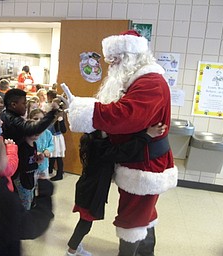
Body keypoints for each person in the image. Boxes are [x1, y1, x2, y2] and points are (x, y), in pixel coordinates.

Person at [61, 30, 178, 256]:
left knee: (132, 218)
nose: (110, 63)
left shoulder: (150, 82)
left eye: (115, 58)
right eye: (109, 58)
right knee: (144, 213)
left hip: (145, 164)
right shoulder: (139, 80)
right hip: (138, 158)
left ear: (131, 55)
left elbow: (125, 115)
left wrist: (83, 111)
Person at [65, 124, 167, 256]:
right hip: (91, 191)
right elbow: (123, 152)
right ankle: (71, 251)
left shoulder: (95, 140)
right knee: (85, 223)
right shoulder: (99, 145)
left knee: (85, 221)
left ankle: (75, 247)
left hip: (89, 188)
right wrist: (147, 136)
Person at [13, 127, 44, 210]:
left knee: (30, 197)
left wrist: (37, 158)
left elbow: (31, 160)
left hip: (31, 178)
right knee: (25, 203)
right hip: (22, 180)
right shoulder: (23, 147)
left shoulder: (34, 144)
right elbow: (23, 167)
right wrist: (37, 164)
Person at [46, 94, 67, 181]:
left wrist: (61, 121)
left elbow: (64, 130)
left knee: (58, 156)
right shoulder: (52, 114)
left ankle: (59, 173)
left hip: (57, 138)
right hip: (51, 137)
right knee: (52, 155)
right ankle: (50, 170)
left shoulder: (60, 115)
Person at [29, 108, 54, 179]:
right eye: (35, 119)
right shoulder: (29, 134)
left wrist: (48, 150)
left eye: (42, 119)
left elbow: (52, 145)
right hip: (33, 166)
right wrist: (36, 153)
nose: (39, 121)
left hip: (44, 165)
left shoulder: (47, 133)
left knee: (44, 185)